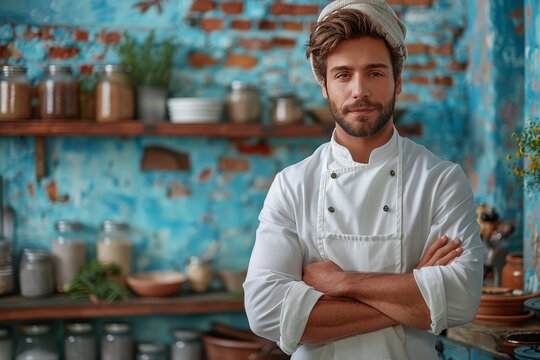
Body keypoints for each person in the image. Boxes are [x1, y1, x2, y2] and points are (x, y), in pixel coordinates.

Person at [243, 0, 484, 359]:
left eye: (375, 72)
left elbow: (462, 301)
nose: (360, 91)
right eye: (343, 75)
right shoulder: (292, 185)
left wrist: (342, 284)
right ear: (323, 84)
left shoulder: (440, 180)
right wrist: (416, 292)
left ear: (397, 80)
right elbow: (264, 311)